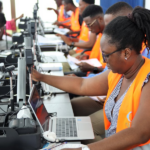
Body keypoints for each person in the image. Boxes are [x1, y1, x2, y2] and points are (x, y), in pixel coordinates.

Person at [32, 6, 150, 150]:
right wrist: (41, 77)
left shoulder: (147, 79)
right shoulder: (119, 73)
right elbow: (82, 85)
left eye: (107, 55)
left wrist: (85, 149)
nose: (104, 61)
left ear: (126, 53)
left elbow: (139, 133)